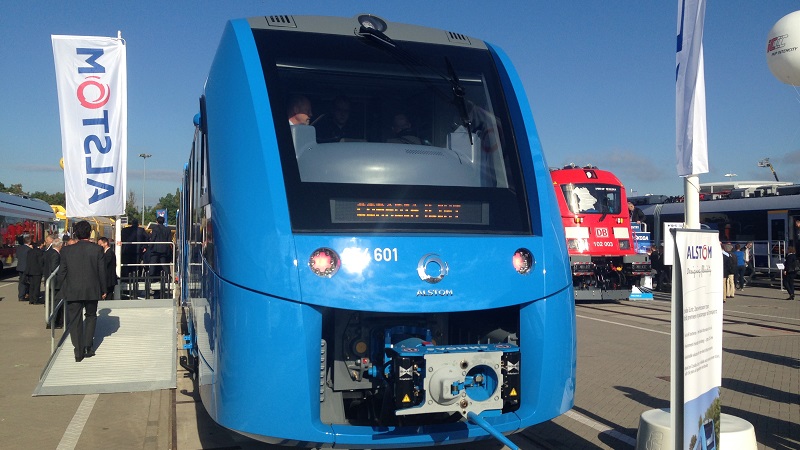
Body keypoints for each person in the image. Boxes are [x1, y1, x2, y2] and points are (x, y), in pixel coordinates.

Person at [57, 220, 106, 362]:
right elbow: (101, 271)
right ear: (89, 232)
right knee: (91, 316)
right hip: (92, 289)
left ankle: (78, 352)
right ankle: (88, 347)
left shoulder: (66, 250)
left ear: (76, 234)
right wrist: (103, 289)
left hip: (73, 290)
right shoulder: (97, 249)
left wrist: (62, 287)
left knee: (75, 320)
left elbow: (62, 272)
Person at [45, 238, 64, 328]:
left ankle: (51, 321)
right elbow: (54, 268)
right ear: (60, 245)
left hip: (50, 282)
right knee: (55, 303)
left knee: (51, 303)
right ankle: (53, 322)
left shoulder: (49, 253)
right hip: (55, 283)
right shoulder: (55, 255)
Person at [24, 240, 45, 304]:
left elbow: (28, 261)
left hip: (30, 271)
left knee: (31, 286)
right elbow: (41, 263)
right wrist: (43, 271)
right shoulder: (40, 252)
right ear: (40, 245)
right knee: (36, 286)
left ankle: (31, 300)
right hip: (37, 272)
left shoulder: (30, 251)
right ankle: (36, 300)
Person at [16, 234, 31, 301]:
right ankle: (25, 294)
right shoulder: (29, 249)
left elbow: (17, 256)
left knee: (21, 282)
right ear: (29, 242)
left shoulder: (19, 248)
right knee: (26, 282)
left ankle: (20, 295)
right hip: (26, 268)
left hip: (20, 267)